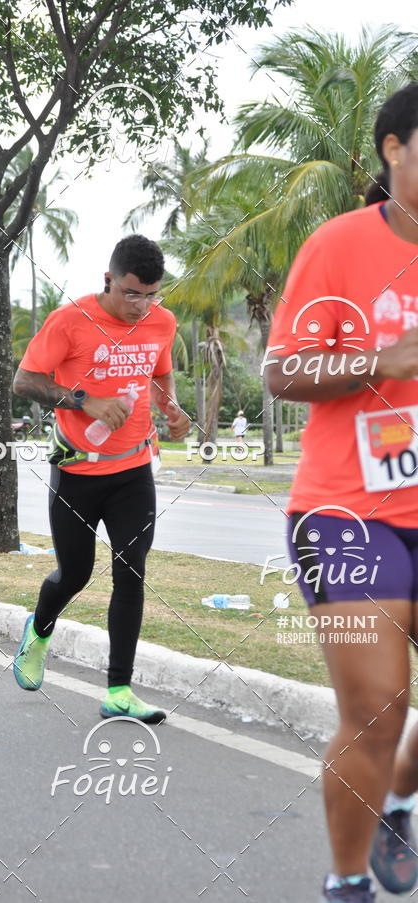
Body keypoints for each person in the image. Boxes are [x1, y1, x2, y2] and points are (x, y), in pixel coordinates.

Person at [266, 83, 418, 902]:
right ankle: (347, 883)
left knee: (399, 732)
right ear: (394, 147)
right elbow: (282, 370)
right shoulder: (338, 246)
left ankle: (398, 797)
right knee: (375, 710)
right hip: (350, 514)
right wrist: (378, 362)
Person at [12, 234, 190, 723]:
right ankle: (39, 629)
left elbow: (159, 373)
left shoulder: (162, 322)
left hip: (134, 469)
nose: (142, 305)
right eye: (132, 293)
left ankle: (118, 691)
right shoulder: (70, 321)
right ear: (108, 279)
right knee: (75, 573)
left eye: (152, 294)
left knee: (131, 572)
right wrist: (84, 400)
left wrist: (169, 407)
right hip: (77, 470)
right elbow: (24, 381)